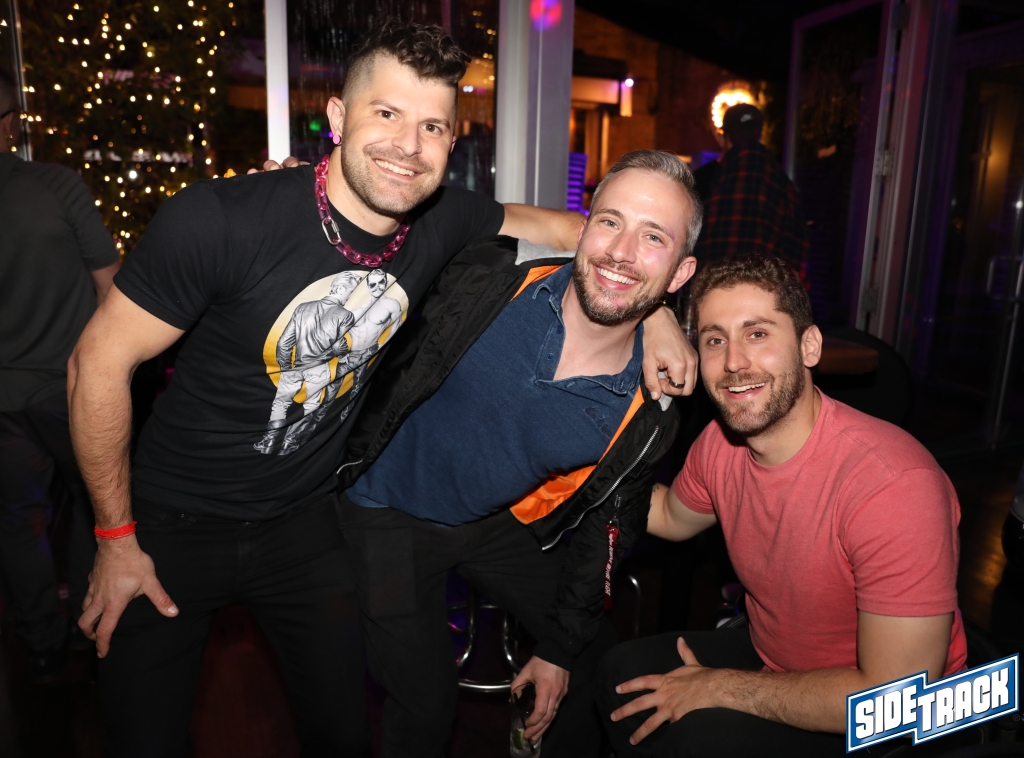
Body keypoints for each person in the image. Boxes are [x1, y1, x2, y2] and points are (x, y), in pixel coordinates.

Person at [68, 21, 694, 757]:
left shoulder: (444, 221)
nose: (408, 145)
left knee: (344, 735)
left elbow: (578, 232)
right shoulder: (220, 219)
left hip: (303, 521)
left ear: (452, 142)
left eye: (432, 126)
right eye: (387, 113)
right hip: (167, 522)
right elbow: (95, 366)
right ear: (338, 118)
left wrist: (656, 312)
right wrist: (115, 538)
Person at [336, 149, 701, 758]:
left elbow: (605, 528)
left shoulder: (652, 400)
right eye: (610, 222)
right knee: (425, 710)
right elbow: (379, 241)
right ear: (581, 229)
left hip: (493, 519)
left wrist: (557, 650)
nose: (621, 251)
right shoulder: (493, 279)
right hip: (384, 506)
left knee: (592, 655)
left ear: (681, 272)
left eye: (653, 237)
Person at [597, 255, 967, 757]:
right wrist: (583, 473)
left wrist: (720, 686)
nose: (733, 362)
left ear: (809, 346)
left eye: (757, 334)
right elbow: (669, 516)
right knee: (621, 675)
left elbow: (895, 701)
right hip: (776, 655)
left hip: (890, 713)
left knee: (696, 740)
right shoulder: (721, 443)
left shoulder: (894, 486)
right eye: (715, 340)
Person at [0, 66, 119, 683]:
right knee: (96, 504)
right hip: (70, 388)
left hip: (4, 399)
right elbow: (110, 288)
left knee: (16, 522)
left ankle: (42, 643)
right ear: (10, 123)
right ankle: (87, 628)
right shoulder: (55, 186)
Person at [693, 104, 809, 271]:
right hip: (763, 283)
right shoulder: (782, 182)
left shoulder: (707, 178)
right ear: (759, 135)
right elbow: (798, 245)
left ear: (724, 138)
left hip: (711, 281)